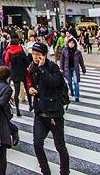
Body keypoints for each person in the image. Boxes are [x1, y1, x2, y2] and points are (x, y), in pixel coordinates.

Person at [28, 42, 70, 175]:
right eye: (33, 54)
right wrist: (31, 89)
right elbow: (32, 83)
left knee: (60, 146)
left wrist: (42, 69)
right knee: (37, 143)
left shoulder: (53, 67)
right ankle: (45, 170)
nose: (35, 57)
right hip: (40, 112)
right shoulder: (32, 67)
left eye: (38, 55)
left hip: (54, 113)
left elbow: (53, 83)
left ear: (44, 56)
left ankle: (64, 171)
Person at [4, 37, 29, 116]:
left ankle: (17, 110)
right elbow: (26, 61)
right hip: (23, 72)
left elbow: (6, 60)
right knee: (27, 88)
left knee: (16, 91)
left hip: (14, 73)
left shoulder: (9, 51)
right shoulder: (21, 50)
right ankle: (31, 105)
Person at [59, 37, 86, 103]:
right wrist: (61, 68)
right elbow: (62, 60)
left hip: (75, 68)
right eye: (70, 43)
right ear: (68, 44)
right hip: (67, 69)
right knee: (69, 82)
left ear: (75, 44)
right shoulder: (64, 51)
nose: (71, 44)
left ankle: (77, 96)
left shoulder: (78, 52)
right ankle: (71, 91)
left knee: (76, 82)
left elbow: (81, 61)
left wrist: (83, 69)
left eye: (72, 43)